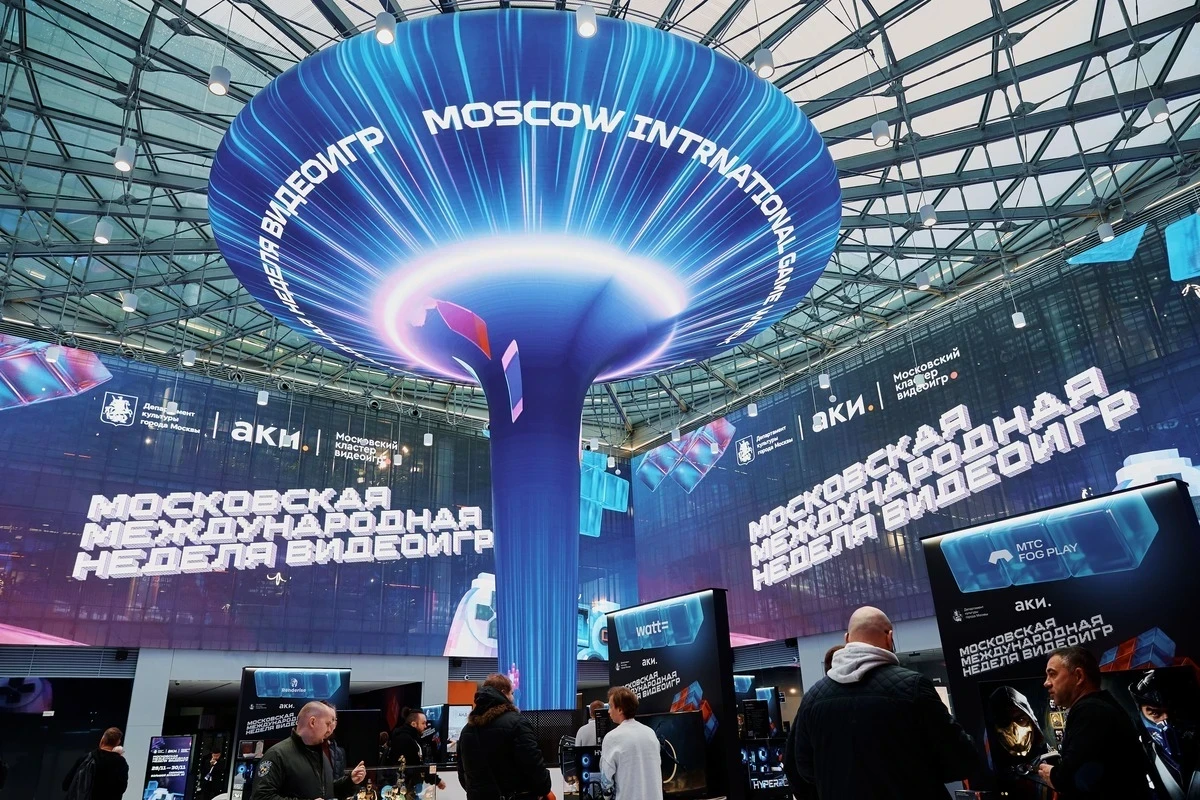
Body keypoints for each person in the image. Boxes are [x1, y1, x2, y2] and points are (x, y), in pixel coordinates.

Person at [785, 606, 978, 799]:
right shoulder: (913, 687)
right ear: (889, 637)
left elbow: (802, 770)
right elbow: (961, 759)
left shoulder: (813, 698)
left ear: (847, 639)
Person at [1038, 647, 1153, 799]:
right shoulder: (1102, 706)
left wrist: (1052, 774)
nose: (1046, 683)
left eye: (1052, 674)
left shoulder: (1090, 711)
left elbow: (1070, 777)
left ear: (1079, 676)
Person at [457, 673, 552, 800]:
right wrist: (543, 788)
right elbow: (533, 765)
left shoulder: (467, 730)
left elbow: (463, 774)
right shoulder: (517, 723)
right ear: (503, 693)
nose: (513, 697)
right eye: (511, 693)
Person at [250, 702, 367, 800]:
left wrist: (350, 781)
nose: (330, 730)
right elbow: (261, 797)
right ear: (312, 722)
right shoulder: (277, 754)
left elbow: (325, 791)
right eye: (327, 724)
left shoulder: (320, 754)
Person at [1128, 670, 1200, 799]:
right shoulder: (1138, 755)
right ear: (1141, 713)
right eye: (1155, 713)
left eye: (1173, 711)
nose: (1166, 720)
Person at [599, 687, 662, 800]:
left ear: (620, 710)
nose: (608, 711)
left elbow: (606, 782)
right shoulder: (650, 733)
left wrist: (607, 796)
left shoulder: (612, 738)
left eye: (611, 706)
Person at [388, 709, 446, 796]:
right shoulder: (405, 739)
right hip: (402, 788)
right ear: (413, 724)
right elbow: (416, 764)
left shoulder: (413, 738)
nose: (425, 726)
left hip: (409, 786)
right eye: (423, 723)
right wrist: (436, 780)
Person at [62, 727, 129, 800]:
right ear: (118, 743)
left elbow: (66, 784)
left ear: (102, 739)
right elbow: (121, 788)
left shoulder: (86, 758)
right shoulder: (121, 763)